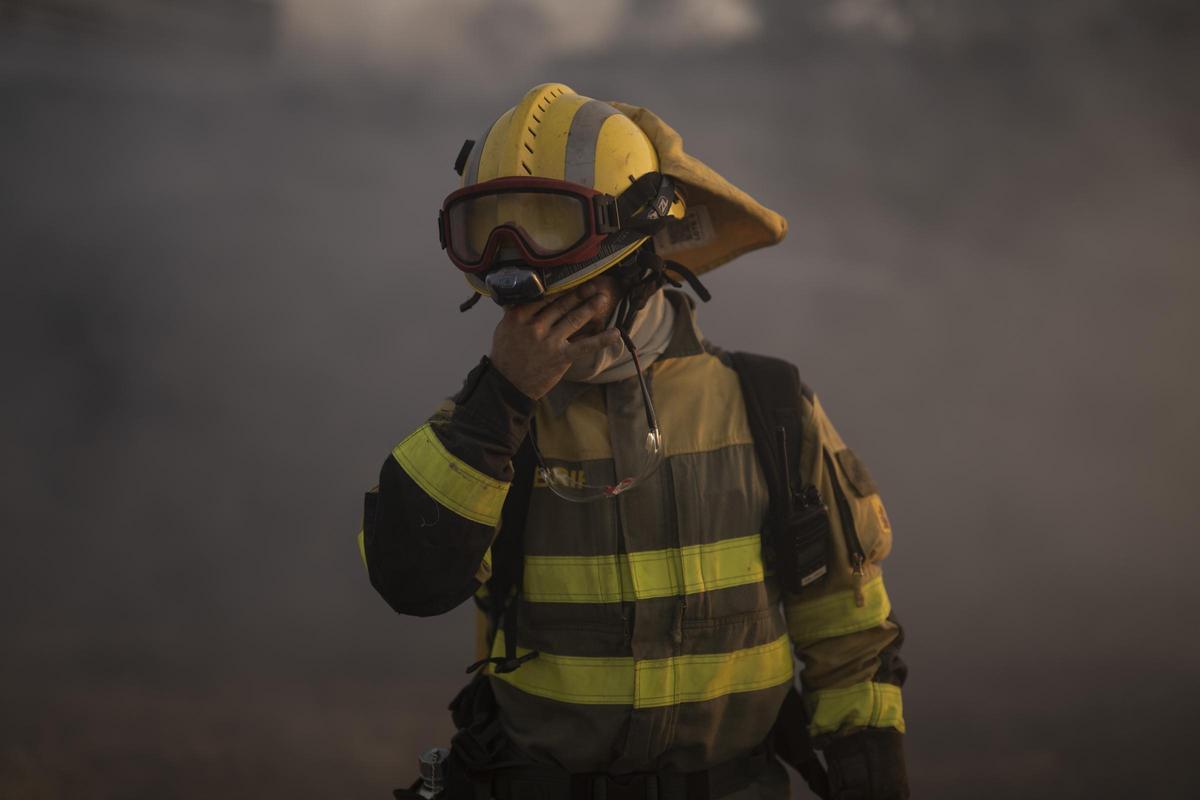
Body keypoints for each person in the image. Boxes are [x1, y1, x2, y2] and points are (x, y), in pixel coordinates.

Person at [358, 83, 909, 800]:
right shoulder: (484, 429)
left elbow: (849, 634)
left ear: (638, 245)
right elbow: (411, 580)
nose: (519, 264)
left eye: (547, 224)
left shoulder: (768, 409)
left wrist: (873, 780)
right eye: (491, 228)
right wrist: (501, 401)